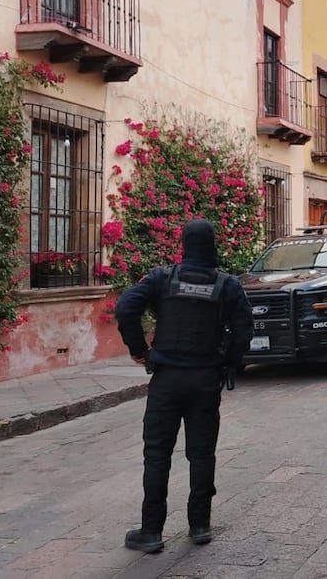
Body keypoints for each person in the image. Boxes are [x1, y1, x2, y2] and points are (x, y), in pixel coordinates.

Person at [115, 218, 254, 554]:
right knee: (202, 453)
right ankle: (200, 526)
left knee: (157, 454)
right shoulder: (227, 285)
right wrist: (228, 363)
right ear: (212, 245)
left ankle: (151, 531)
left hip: (166, 379)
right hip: (205, 380)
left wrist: (139, 350)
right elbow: (245, 329)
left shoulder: (163, 278)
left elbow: (125, 307)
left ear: (184, 245)